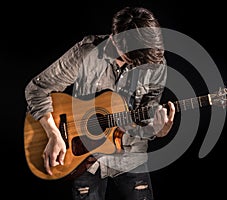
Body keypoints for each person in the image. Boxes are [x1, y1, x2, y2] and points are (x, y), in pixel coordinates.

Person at [25, 6, 175, 200]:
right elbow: (36, 89)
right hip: (84, 159)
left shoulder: (155, 61)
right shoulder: (87, 53)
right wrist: (53, 134)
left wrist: (158, 130)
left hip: (131, 156)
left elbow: (145, 118)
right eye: (131, 58)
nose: (137, 65)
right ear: (114, 39)